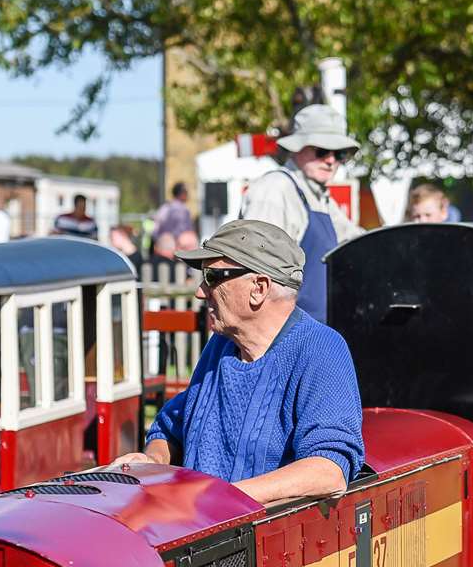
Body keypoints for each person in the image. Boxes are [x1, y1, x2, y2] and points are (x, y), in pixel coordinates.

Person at [113, 220, 364, 505]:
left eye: (212, 277)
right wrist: (152, 459)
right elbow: (171, 428)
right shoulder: (221, 346)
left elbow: (328, 471)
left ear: (259, 287)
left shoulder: (320, 349)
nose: (199, 291)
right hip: (201, 530)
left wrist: (222, 499)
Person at [239, 103, 363, 323]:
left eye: (339, 153)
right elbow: (256, 271)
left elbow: (359, 242)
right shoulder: (275, 189)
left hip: (315, 335)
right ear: (298, 148)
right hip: (282, 336)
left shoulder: (320, 198)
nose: (331, 160)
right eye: (322, 150)